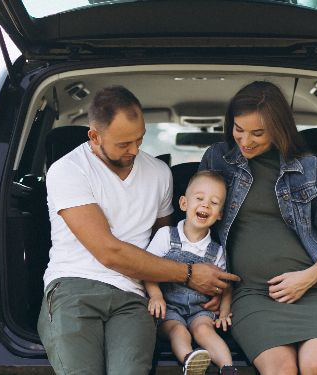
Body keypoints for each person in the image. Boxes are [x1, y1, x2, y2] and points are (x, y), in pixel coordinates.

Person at [38, 85, 239, 375]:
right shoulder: (68, 170)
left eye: (140, 139)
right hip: (74, 287)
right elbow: (109, 252)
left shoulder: (159, 173)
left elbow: (170, 243)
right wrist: (191, 276)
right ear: (94, 137)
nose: (135, 150)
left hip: (134, 296)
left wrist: (207, 289)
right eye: (123, 144)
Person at [198, 81, 317, 374]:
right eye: (238, 129)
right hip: (250, 294)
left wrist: (307, 278)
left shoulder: (315, 169)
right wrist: (212, 281)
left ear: (280, 128)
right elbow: (198, 224)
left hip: (315, 291)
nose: (245, 141)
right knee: (281, 370)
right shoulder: (218, 159)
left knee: (315, 364)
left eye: (257, 133)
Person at [144, 171, 239, 375]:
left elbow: (226, 285)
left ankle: (228, 368)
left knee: (204, 329)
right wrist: (156, 296)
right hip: (168, 309)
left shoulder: (216, 250)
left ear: (220, 214)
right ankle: (190, 361)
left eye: (214, 203)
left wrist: (223, 311)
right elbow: (148, 270)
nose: (206, 205)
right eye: (199, 198)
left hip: (200, 309)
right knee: (177, 329)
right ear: (184, 203)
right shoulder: (166, 236)